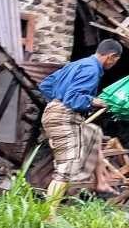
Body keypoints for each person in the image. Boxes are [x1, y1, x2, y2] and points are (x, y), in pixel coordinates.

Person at [38, 39, 123, 205]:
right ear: (111, 57)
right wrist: (94, 101)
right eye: (115, 61)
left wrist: (56, 101)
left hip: (54, 112)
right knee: (67, 168)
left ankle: (101, 181)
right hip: (64, 116)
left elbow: (45, 85)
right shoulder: (91, 69)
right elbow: (73, 98)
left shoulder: (77, 64)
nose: (113, 64)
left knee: (94, 133)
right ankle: (48, 215)